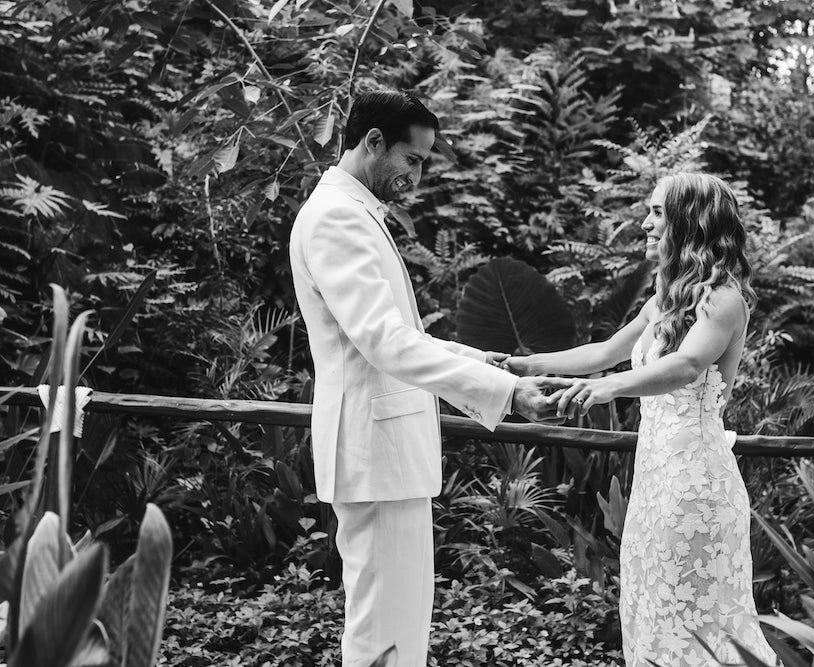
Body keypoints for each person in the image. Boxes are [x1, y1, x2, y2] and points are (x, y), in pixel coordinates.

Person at [288, 90, 568, 667]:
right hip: (375, 455)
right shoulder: (337, 217)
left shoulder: (353, 210)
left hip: (386, 457)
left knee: (399, 625)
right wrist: (509, 392)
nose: (418, 174)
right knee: (383, 633)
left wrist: (479, 362)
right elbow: (384, 343)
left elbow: (398, 332)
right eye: (412, 159)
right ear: (372, 144)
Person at [504, 173, 777, 666]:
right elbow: (606, 351)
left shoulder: (723, 298)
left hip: (696, 486)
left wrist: (611, 387)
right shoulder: (666, 299)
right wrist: (527, 365)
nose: (646, 223)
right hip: (655, 485)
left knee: (702, 622)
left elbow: (688, 365)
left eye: (657, 212)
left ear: (689, 221)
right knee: (652, 611)